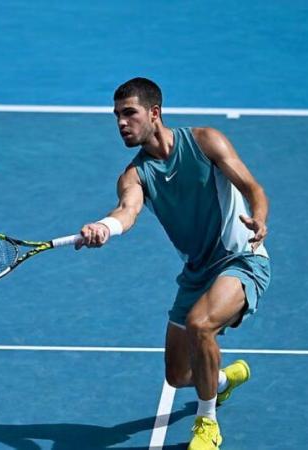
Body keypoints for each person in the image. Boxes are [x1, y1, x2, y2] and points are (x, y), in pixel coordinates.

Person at [76, 77, 271, 450]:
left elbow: (253, 189)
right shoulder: (135, 175)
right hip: (197, 273)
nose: (121, 122)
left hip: (241, 258)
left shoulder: (204, 141)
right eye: (116, 115)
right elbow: (126, 211)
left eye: (129, 113)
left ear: (154, 112)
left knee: (201, 325)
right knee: (179, 374)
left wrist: (260, 219)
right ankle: (224, 381)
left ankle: (207, 424)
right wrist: (104, 227)